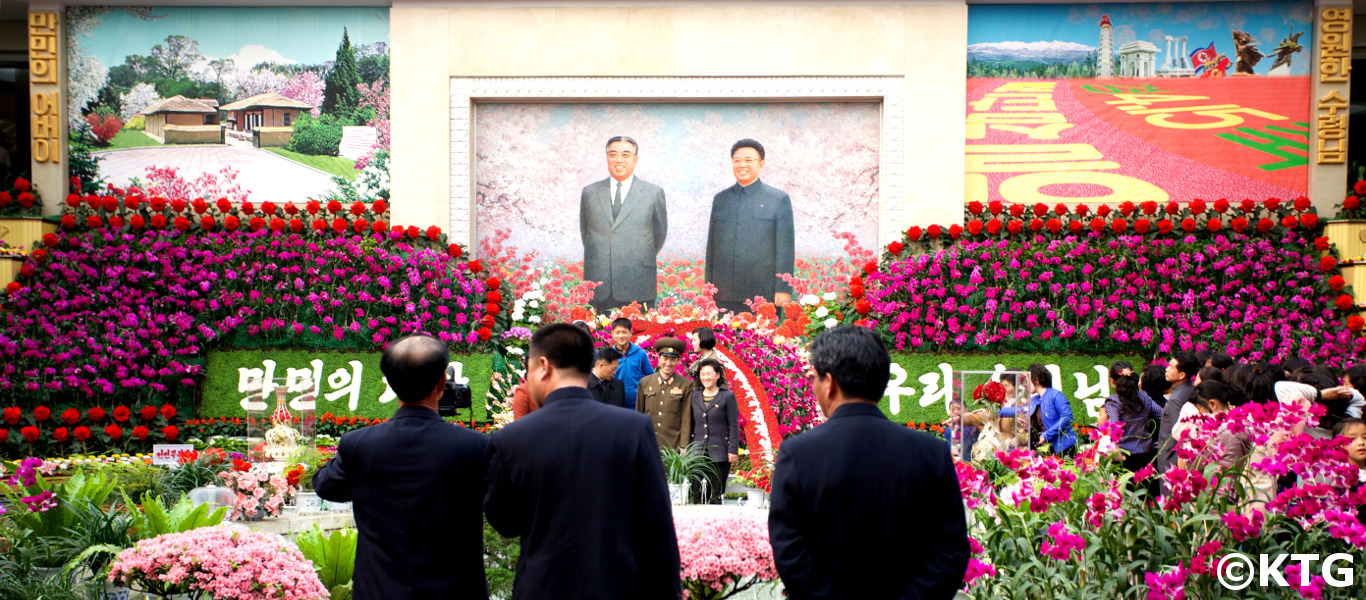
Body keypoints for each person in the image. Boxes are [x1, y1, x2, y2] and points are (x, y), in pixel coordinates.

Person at [769, 326, 968, 599]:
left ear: (830, 384)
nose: (813, 386)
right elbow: (950, 551)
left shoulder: (798, 454)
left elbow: (790, 552)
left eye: (815, 377)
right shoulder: (931, 452)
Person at [484, 324, 680, 599]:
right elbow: (657, 528)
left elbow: (506, 522)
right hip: (617, 588)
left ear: (542, 365)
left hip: (542, 589)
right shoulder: (633, 429)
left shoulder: (510, 439)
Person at [313, 334, 490, 600]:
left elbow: (326, 485)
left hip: (379, 591)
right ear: (442, 382)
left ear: (391, 384)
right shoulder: (475, 446)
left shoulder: (358, 444)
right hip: (455, 591)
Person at [705, 139, 795, 314]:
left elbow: (785, 248)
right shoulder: (721, 199)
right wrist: (709, 289)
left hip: (763, 294)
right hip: (724, 294)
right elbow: (712, 249)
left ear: (761, 164)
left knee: (762, 341)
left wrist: (783, 289)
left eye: (749, 160)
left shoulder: (778, 199)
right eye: (737, 160)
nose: (742, 165)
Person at [580, 136, 668, 312]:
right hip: (599, 285)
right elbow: (587, 234)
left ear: (635, 159)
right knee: (597, 337)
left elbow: (659, 234)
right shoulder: (590, 192)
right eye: (613, 154)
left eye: (625, 154)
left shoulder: (653, 193)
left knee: (641, 337)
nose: (619, 160)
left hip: (638, 283)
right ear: (607, 158)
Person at [688, 358, 739, 504]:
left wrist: (733, 450)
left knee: (716, 495)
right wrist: (687, 447)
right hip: (697, 451)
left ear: (717, 375)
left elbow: (733, 425)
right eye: (703, 374)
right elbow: (689, 423)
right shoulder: (694, 395)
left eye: (709, 374)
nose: (706, 377)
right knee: (698, 495)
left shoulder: (727, 395)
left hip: (720, 452)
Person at [1098, 363, 1163, 473]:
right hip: (1146, 455)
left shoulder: (1113, 402)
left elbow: (1115, 426)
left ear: (1113, 382)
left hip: (1124, 456)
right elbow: (1163, 414)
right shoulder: (1144, 397)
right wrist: (1164, 440)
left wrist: (1115, 450)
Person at [999, 364, 1076, 456]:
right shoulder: (1034, 400)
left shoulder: (1056, 395)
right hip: (1046, 448)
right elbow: (1018, 410)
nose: (1026, 385)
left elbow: (1067, 417)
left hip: (1064, 447)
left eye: (1028, 381)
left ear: (1037, 380)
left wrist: (1047, 435)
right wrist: (993, 410)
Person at [636, 337, 694, 451]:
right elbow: (638, 414)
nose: (668, 363)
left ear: (678, 360)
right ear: (658, 358)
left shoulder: (686, 385)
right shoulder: (645, 382)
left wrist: (683, 446)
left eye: (672, 359)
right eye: (665, 358)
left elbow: (686, 417)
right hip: (648, 441)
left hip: (673, 445)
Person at [1156, 352, 1200, 473]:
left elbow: (1180, 435)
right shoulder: (1190, 390)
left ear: (1181, 375)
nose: (1167, 369)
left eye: (1171, 367)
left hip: (1172, 460)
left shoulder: (1176, 398)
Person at [608, 317, 653, 408]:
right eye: (618, 332)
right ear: (612, 334)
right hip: (616, 404)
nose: (621, 336)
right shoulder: (609, 355)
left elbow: (651, 377)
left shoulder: (640, 353)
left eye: (624, 332)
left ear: (631, 333)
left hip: (637, 404)